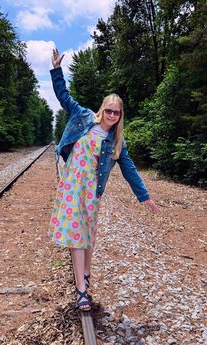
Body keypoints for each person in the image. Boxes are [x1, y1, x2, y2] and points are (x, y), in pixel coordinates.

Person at [48, 48, 158, 311]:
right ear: (102, 109)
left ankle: (85, 275)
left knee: (87, 239)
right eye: (108, 110)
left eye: (115, 113)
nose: (111, 115)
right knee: (76, 238)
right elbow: (64, 97)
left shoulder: (116, 142)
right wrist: (56, 71)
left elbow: (129, 169)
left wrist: (145, 196)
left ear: (120, 116)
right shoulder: (84, 117)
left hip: (91, 193)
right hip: (72, 188)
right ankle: (81, 291)